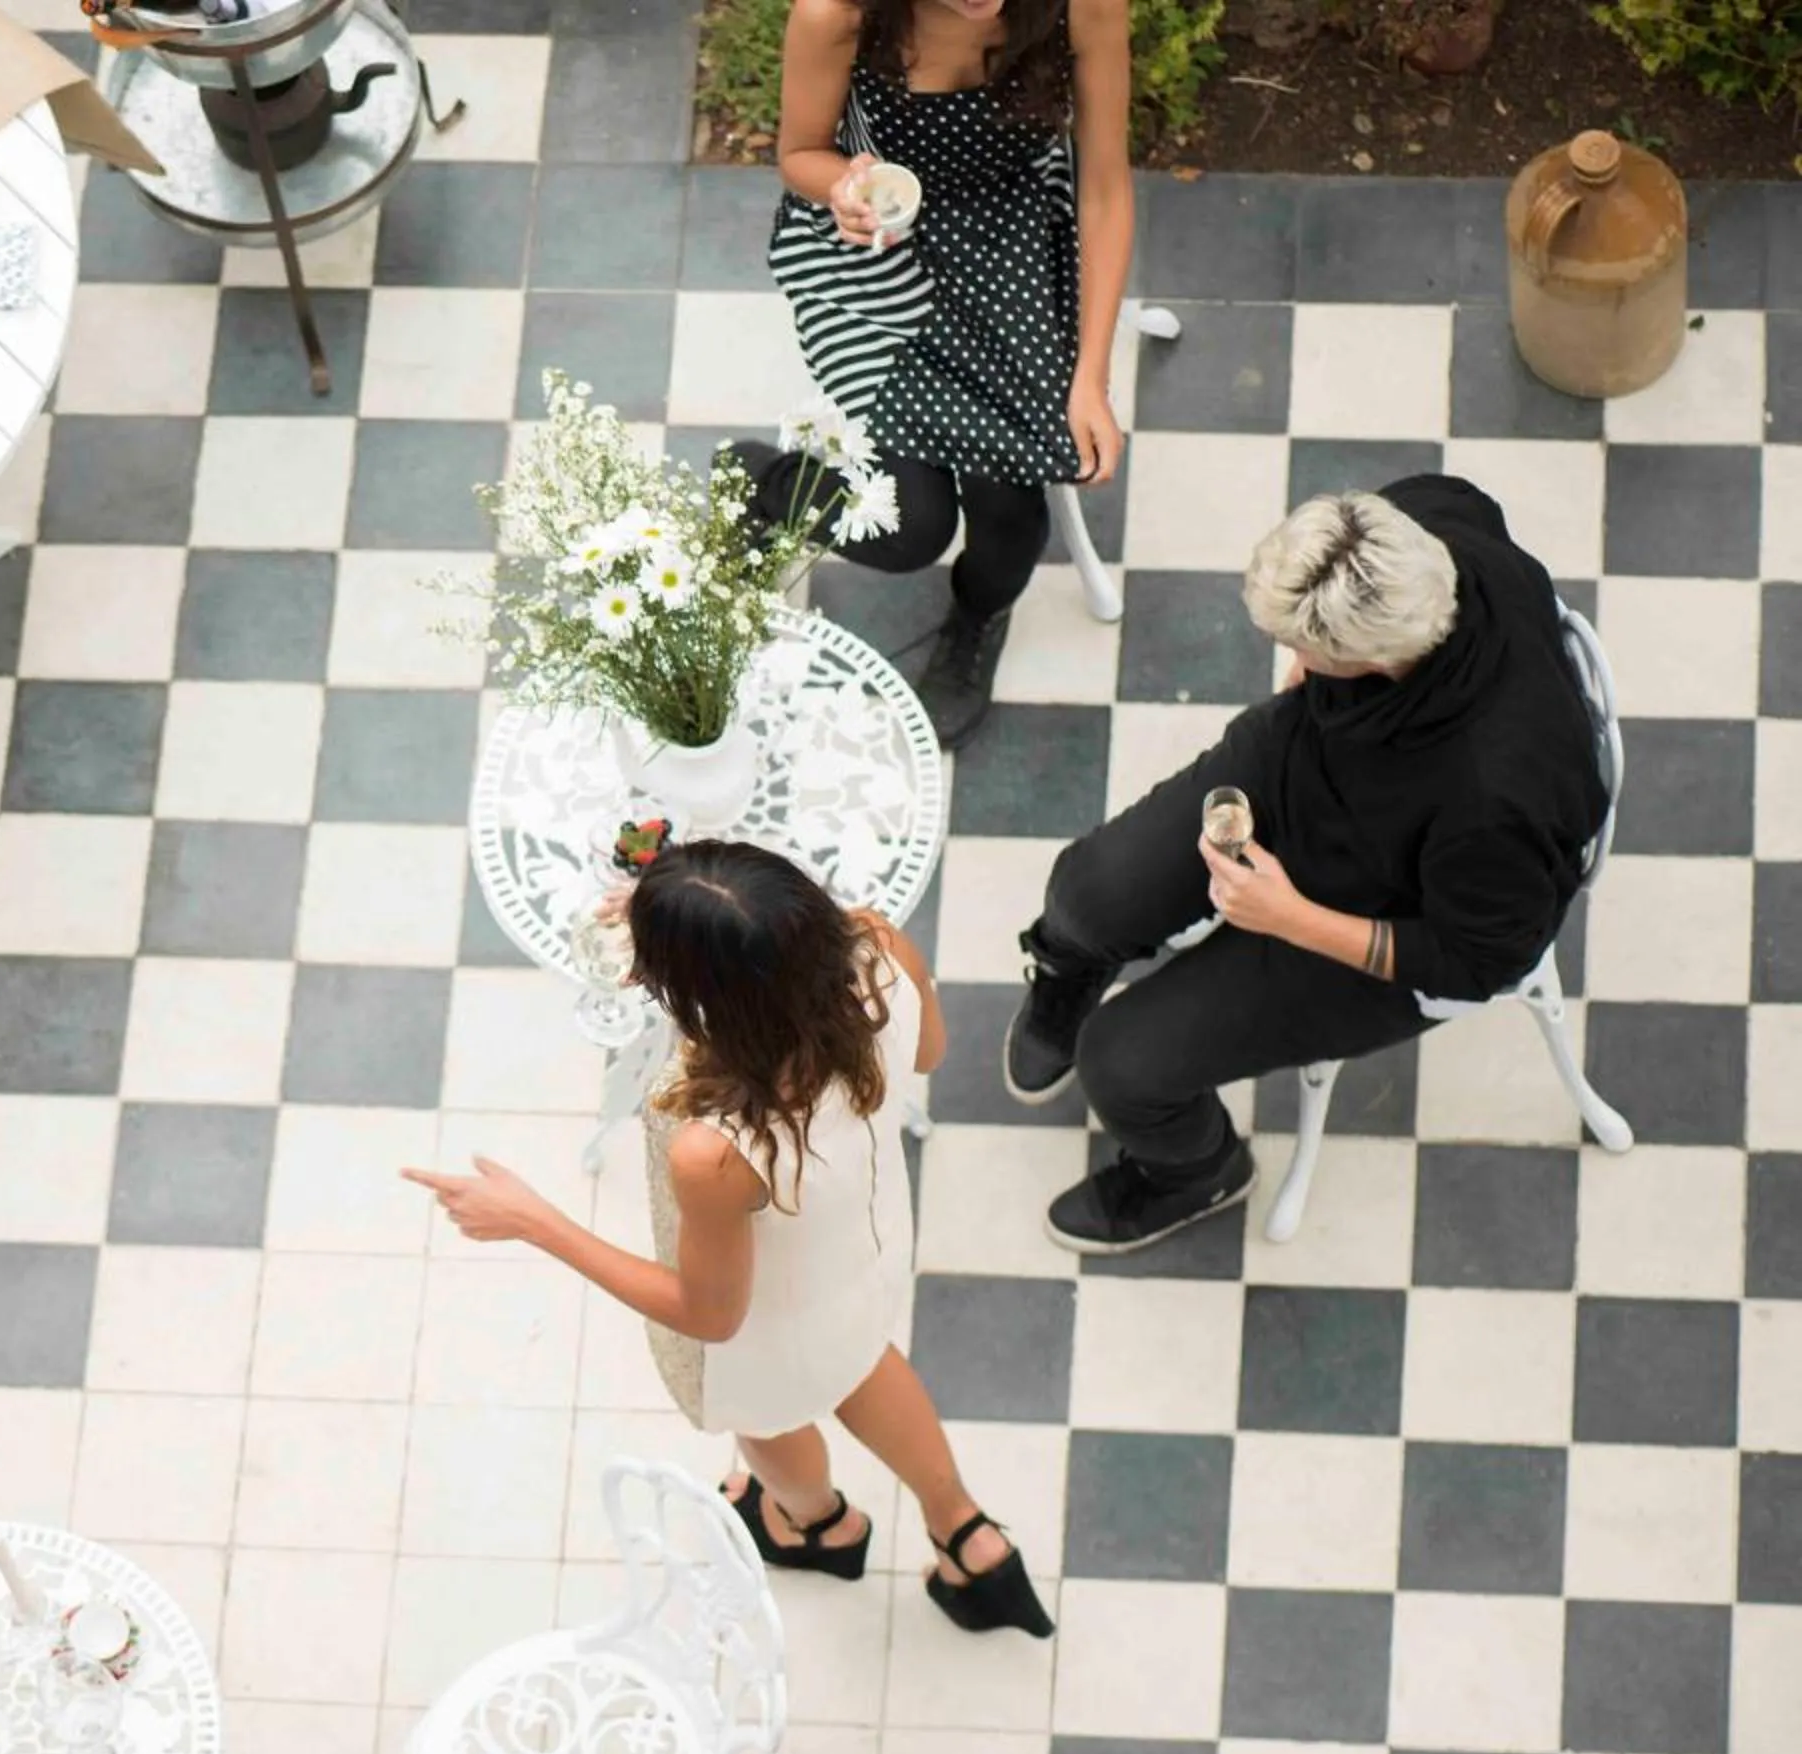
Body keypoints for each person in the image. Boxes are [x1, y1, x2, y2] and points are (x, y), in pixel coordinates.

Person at [404, 841, 1051, 1640]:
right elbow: (929, 1051)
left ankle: (814, 1527)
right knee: (863, 1364)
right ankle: (968, 1537)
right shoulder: (879, 946)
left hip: (773, 1328)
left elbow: (709, 1316)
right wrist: (690, 921)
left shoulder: (718, 1149)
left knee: (770, 1422)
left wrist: (533, 1220)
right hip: (866, 1253)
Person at [1004, 476, 1608, 1253]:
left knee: (1120, 1062)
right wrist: (1317, 673)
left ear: (1374, 655)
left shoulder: (1495, 799)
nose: (1290, 659)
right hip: (1312, 761)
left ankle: (1197, 1172)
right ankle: (1073, 973)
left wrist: (1288, 918)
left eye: (1302, 648)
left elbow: (1481, 961)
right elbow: (1453, 504)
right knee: (1086, 892)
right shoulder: (1435, 527)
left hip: (1381, 904)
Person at [736, 0, 1136, 747]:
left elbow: (1106, 186)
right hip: (881, 258)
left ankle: (976, 619)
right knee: (909, 530)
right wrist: (842, 188)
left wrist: (1090, 376)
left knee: (1010, 511)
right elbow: (800, 154)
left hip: (1013, 237)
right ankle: (761, 479)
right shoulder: (838, 14)